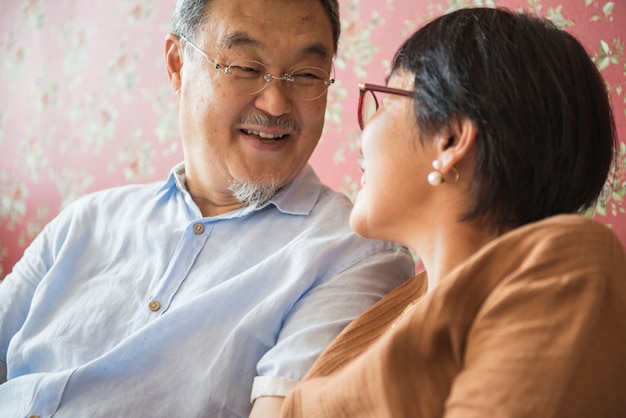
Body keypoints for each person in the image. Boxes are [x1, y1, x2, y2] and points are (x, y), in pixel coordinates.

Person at [0, 0, 416, 417]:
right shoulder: (85, 220)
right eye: (246, 67)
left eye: (307, 75)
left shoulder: (353, 253)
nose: (275, 104)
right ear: (178, 65)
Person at [275, 7, 626, 417]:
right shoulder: (396, 306)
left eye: (384, 102)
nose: (362, 137)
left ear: (451, 140)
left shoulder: (571, 269)